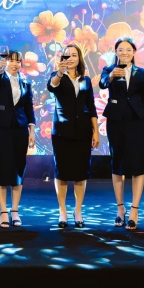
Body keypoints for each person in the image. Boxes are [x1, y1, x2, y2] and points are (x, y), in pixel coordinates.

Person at [99, 37, 144, 230]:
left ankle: (134, 210)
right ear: (116, 52)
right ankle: (120, 209)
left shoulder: (142, 73)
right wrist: (112, 75)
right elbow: (102, 84)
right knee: (117, 164)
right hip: (116, 122)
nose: (124, 53)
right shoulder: (109, 69)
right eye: (120, 50)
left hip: (137, 122)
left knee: (137, 165)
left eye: (128, 50)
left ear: (134, 52)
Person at [47, 43, 100, 228]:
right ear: (61, 58)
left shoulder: (86, 80)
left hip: (83, 131)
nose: (70, 58)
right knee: (61, 172)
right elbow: (52, 86)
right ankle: (62, 211)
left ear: (79, 58)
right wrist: (60, 72)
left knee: (80, 173)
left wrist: (96, 131)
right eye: (66, 55)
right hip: (62, 131)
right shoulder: (57, 76)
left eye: (74, 55)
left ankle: (78, 211)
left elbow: (91, 106)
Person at [0, 50, 36, 228]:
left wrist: (32, 131)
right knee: (1, 168)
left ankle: (15, 210)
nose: (15, 64)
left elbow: (29, 107)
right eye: (11, 60)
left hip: (20, 129)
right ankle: (3, 211)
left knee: (18, 168)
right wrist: (0, 68)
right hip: (0, 128)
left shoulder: (25, 82)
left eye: (18, 61)